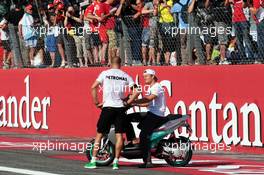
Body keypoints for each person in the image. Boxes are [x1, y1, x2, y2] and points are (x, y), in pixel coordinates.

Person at [84, 56, 139, 170]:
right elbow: (137, 91)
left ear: (110, 63)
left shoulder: (105, 73)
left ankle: (93, 161)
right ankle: (116, 162)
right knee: (119, 135)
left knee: (100, 134)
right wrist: (128, 102)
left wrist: (96, 102)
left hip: (108, 107)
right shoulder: (125, 75)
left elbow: (93, 87)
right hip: (120, 108)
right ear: (121, 63)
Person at [130, 69, 167, 168]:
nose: (144, 78)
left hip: (156, 115)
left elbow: (149, 99)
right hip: (151, 113)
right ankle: (132, 139)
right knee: (129, 118)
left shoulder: (157, 87)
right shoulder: (151, 88)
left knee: (143, 135)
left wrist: (133, 101)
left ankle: (148, 161)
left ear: (153, 77)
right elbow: (147, 103)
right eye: (144, 76)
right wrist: (132, 104)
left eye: (146, 76)